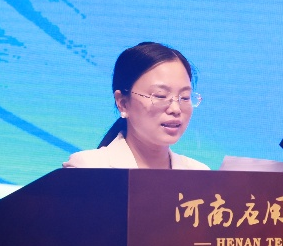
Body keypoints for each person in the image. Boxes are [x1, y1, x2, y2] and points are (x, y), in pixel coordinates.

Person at [62, 42, 210, 170]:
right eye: (160, 96)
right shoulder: (88, 168)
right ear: (123, 103)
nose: (175, 109)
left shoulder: (199, 174)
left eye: (184, 97)